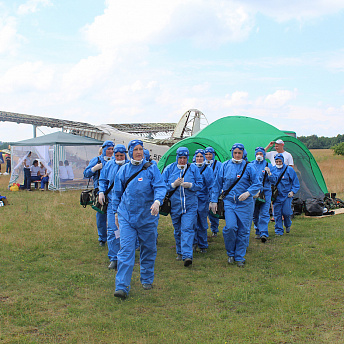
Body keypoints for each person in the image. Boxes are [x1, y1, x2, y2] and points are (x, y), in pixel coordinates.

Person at [113, 140, 166, 299]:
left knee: (148, 249)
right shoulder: (123, 170)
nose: (139, 152)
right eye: (135, 149)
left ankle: (147, 278)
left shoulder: (151, 169)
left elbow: (160, 186)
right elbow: (117, 193)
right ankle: (122, 286)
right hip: (127, 217)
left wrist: (157, 201)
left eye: (141, 149)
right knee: (126, 250)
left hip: (147, 217)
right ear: (130, 152)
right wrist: (116, 213)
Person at [210, 143, 261, 267]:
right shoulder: (225, 166)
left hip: (245, 204)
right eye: (235, 153)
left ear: (243, 153)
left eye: (239, 153)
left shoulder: (249, 167)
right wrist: (213, 200)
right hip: (229, 202)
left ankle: (239, 257)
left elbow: (257, 183)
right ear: (232, 153)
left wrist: (248, 192)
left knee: (243, 230)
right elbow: (217, 184)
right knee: (231, 227)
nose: (237, 155)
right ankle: (230, 253)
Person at [162, 147, 203, 267]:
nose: (182, 160)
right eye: (180, 158)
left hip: (190, 205)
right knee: (178, 230)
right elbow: (162, 186)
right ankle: (179, 251)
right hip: (175, 206)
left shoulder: (193, 169)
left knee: (187, 229)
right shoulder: (169, 169)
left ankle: (187, 256)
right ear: (177, 158)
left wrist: (191, 185)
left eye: (185, 158)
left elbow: (200, 185)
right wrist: (173, 185)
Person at [98, 144, 128, 270]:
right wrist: (101, 191)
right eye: (117, 156)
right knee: (112, 230)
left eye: (121, 155)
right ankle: (114, 258)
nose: (119, 158)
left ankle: (126, 255)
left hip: (127, 204)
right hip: (112, 202)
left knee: (127, 230)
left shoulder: (130, 167)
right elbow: (103, 180)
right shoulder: (109, 165)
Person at [84, 140, 115, 246]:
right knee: (101, 215)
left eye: (112, 149)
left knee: (115, 215)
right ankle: (102, 238)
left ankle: (115, 237)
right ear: (104, 149)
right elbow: (86, 174)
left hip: (113, 192)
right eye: (109, 149)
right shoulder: (96, 160)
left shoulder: (116, 160)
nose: (111, 151)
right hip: (99, 191)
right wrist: (94, 168)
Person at [251, 147, 277, 242]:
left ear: (264, 155)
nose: (259, 156)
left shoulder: (268, 165)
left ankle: (264, 233)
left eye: (261, 154)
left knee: (264, 212)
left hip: (265, 192)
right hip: (254, 192)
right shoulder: (250, 165)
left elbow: (274, 180)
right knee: (255, 212)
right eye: (257, 154)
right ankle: (257, 230)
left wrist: (269, 173)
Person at [271, 154, 300, 236]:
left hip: (287, 195)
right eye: (277, 161)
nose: (278, 163)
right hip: (276, 196)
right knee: (277, 214)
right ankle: (278, 231)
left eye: (280, 161)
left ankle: (287, 224)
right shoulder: (272, 169)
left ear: (283, 161)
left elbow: (295, 182)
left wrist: (293, 191)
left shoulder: (289, 170)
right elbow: (270, 182)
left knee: (286, 212)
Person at [192, 149, 214, 253]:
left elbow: (211, 185)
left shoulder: (208, 169)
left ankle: (203, 244)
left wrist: (211, 200)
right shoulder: (190, 168)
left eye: (201, 156)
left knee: (202, 222)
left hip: (203, 200)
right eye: (197, 156)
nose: (199, 158)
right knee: (192, 222)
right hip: (191, 199)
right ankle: (193, 243)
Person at [204, 147, 222, 237]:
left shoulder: (218, 164)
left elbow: (220, 177)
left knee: (213, 211)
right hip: (204, 191)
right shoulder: (202, 164)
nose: (208, 156)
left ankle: (214, 229)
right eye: (206, 154)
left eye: (210, 154)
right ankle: (203, 231)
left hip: (214, 191)